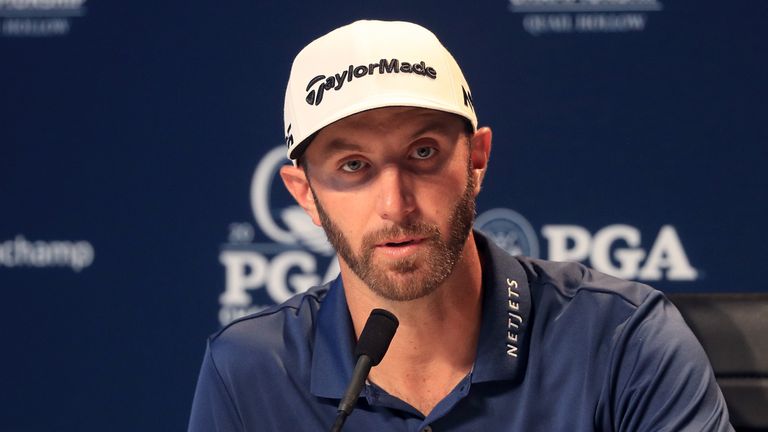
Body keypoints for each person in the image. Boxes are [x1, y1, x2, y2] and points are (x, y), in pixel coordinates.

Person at [188, 20, 733, 431]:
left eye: (423, 153)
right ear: (304, 193)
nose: (395, 204)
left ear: (476, 160)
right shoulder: (250, 370)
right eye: (353, 166)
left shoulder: (623, 342)